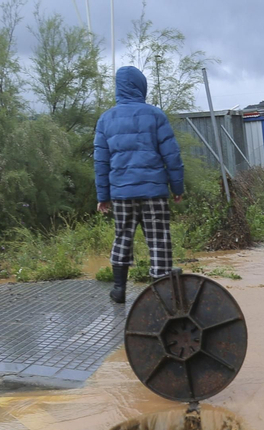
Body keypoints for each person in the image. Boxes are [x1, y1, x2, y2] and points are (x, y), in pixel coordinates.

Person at [94, 66, 184, 304]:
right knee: (159, 240)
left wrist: (103, 196)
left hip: (122, 194)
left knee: (122, 237)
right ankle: (161, 293)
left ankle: (119, 289)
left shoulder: (106, 119)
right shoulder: (156, 116)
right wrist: (177, 188)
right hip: (154, 193)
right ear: (141, 86)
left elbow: (101, 162)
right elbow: (172, 155)